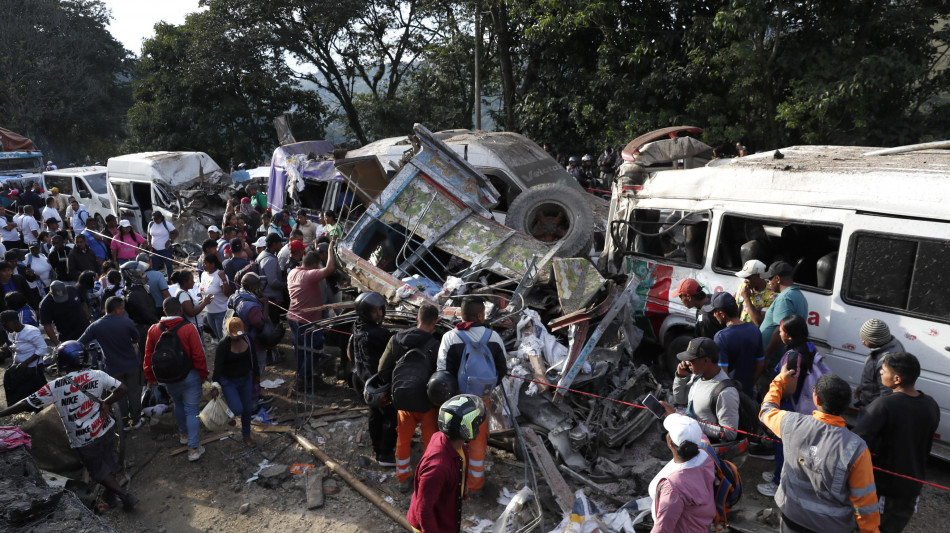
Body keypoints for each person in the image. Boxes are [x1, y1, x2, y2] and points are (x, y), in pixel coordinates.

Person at [0, 342, 139, 512]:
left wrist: (2, 414)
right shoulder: (98, 374)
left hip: (84, 438)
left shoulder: (56, 386)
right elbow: (122, 388)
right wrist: (107, 402)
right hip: (106, 427)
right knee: (109, 458)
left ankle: (124, 496)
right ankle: (111, 494)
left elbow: (26, 403)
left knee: (97, 470)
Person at [760, 369, 879, 533]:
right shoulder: (856, 447)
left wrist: (780, 380)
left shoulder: (791, 423)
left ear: (817, 399)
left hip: (791, 516)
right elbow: (865, 501)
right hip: (830, 526)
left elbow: (766, 410)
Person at [854, 352, 940, 533]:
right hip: (912, 485)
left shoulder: (884, 405)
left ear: (897, 378)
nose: (880, 374)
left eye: (883, 371)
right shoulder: (931, 404)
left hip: (885, 488)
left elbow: (857, 443)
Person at [436, 296, 507, 495]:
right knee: (477, 442)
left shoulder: (450, 337)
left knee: (453, 440)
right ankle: (474, 486)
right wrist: (487, 389)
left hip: (455, 401)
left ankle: (452, 483)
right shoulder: (493, 337)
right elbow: (502, 368)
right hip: (481, 401)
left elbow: (442, 371)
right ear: (480, 315)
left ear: (461, 314)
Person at [757, 314, 832, 497]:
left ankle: (779, 484)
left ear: (788, 336)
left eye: (781, 331)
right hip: (803, 405)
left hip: (790, 406)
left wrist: (774, 394)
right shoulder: (808, 346)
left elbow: (790, 389)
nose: (779, 333)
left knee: (783, 446)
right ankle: (778, 473)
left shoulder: (792, 356)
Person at [377, 303, 440, 492]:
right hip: (428, 403)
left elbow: (382, 369)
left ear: (416, 319)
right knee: (429, 442)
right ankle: (427, 480)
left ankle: (403, 478)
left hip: (403, 400)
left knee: (403, 439)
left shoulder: (396, 339)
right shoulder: (436, 345)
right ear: (435, 322)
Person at [406, 394, 486, 533]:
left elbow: (460, 459)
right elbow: (424, 511)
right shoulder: (437, 469)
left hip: (442, 514)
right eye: (477, 423)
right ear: (468, 429)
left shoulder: (446, 439)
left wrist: (462, 486)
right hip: (431, 526)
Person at [143, 297, 209, 461]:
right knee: (192, 410)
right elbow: (198, 355)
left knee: (178, 403)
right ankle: (193, 449)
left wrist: (150, 377)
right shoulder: (188, 328)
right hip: (189, 375)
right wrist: (203, 376)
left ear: (164, 312)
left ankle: (183, 434)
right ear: (180, 310)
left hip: (168, 378)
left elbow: (148, 357)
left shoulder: (153, 330)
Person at [78, 297, 143, 430]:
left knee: (118, 395)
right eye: (122, 308)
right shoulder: (127, 322)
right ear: (118, 308)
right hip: (132, 364)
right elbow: (136, 339)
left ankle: (123, 422)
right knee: (134, 393)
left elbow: (80, 342)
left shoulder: (96, 325)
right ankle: (136, 420)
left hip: (113, 368)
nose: (123, 310)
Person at [348, 291, 396, 465]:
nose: (380, 314)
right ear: (364, 313)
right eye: (374, 312)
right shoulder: (377, 334)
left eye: (380, 310)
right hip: (377, 383)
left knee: (375, 414)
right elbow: (395, 340)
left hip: (362, 379)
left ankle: (377, 448)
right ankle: (386, 454)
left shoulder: (358, 326)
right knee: (392, 416)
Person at [649, 413, 716, 533]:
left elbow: (662, 529)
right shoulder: (707, 453)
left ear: (669, 442)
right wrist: (673, 411)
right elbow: (701, 435)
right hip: (701, 525)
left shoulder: (674, 488)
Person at [670, 337, 740, 443]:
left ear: (706, 360)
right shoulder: (697, 376)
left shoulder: (726, 392)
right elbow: (680, 399)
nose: (687, 363)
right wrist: (680, 377)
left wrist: (691, 423)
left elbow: (730, 433)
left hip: (706, 448)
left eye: (692, 360)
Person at [287, 249, 336, 394]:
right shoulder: (309, 275)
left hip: (293, 318)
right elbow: (330, 269)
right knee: (315, 349)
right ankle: (302, 379)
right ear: (314, 264)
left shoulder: (292, 272)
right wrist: (330, 249)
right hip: (307, 321)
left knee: (301, 350)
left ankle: (305, 378)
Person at [212, 317, 258, 447]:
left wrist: (256, 375)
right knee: (237, 408)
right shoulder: (223, 345)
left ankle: (246, 435)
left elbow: (253, 358)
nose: (237, 338)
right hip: (229, 381)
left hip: (246, 378)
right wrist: (214, 386)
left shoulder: (247, 340)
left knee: (247, 409)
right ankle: (228, 415)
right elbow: (218, 366)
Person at [710, 292, 764, 395]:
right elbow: (760, 364)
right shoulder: (754, 329)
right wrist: (749, 386)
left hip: (730, 395)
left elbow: (722, 373)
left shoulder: (721, 337)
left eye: (714, 312)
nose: (713, 315)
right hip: (748, 393)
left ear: (722, 313)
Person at [758, 261, 808, 369]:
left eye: (770, 279)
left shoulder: (785, 298)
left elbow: (779, 331)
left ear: (777, 279)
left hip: (772, 360)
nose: (769, 283)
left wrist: (766, 356)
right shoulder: (799, 296)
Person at [854, 318, 905, 412]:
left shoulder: (885, 362)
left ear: (875, 341)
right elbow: (873, 375)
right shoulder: (888, 345)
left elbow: (886, 393)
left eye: (865, 340)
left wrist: (869, 411)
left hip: (872, 409)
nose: (862, 341)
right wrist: (863, 387)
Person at [1, 310, 49, 404]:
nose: (4, 328)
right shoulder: (13, 333)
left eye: (6, 325)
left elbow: (42, 349)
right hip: (20, 368)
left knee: (38, 396)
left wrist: (25, 363)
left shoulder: (31, 331)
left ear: (15, 322)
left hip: (33, 369)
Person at [118, 260, 159, 361]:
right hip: (143, 330)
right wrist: (159, 324)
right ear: (132, 275)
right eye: (141, 273)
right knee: (148, 358)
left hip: (146, 327)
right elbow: (146, 314)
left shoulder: (137, 289)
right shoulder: (134, 294)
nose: (144, 275)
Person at [39, 280, 91, 345]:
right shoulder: (45, 305)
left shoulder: (72, 289)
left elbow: (83, 303)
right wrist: (57, 344)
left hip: (86, 331)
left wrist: (90, 317)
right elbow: (47, 326)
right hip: (67, 338)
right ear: (51, 293)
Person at [197, 252, 231, 341]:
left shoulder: (220, 275)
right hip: (209, 312)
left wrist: (224, 279)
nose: (203, 265)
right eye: (203, 263)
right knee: (218, 336)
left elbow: (227, 294)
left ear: (212, 264)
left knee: (223, 338)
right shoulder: (204, 274)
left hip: (221, 312)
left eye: (205, 263)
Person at [735, 259, 775, 326]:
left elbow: (759, 323)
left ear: (759, 275)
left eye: (748, 277)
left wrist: (747, 299)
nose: (745, 281)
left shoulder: (771, 296)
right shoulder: (743, 287)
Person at [257, 233, 285, 324]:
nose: (281, 245)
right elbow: (273, 282)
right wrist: (286, 285)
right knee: (273, 324)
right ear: (274, 244)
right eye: (280, 243)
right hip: (271, 298)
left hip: (266, 296)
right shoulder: (270, 260)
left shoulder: (263, 254)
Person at [138, 252, 170, 316]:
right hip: (160, 309)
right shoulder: (158, 275)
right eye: (150, 260)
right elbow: (165, 293)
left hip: (145, 311)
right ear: (148, 263)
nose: (151, 262)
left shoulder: (136, 277)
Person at [147, 211, 177, 277]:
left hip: (166, 249)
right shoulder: (151, 224)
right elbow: (149, 234)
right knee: (154, 267)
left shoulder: (166, 224)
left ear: (161, 218)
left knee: (168, 265)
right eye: (154, 219)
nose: (156, 220)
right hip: (155, 250)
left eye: (157, 219)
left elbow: (176, 233)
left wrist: (169, 240)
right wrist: (149, 242)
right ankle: (156, 280)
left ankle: (170, 281)